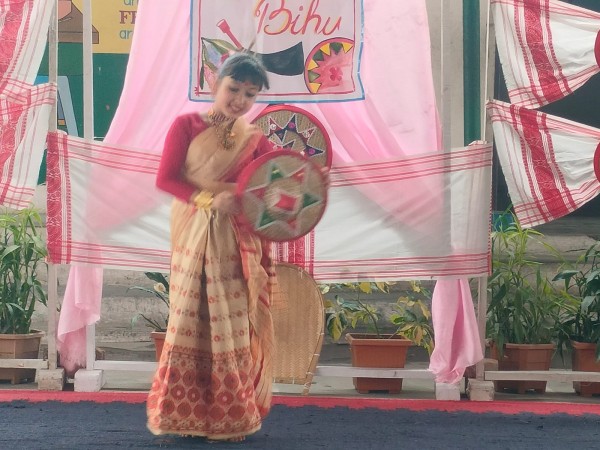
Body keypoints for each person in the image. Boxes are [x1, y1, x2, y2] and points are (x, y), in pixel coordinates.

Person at [147, 52, 276, 442]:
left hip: (236, 242)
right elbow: (166, 179)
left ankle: (231, 417)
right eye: (233, 89)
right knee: (189, 318)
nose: (239, 100)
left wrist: (308, 183)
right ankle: (181, 416)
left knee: (231, 325)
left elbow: (275, 183)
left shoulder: (255, 139)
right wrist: (208, 200)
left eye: (250, 94)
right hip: (193, 232)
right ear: (214, 85)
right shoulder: (186, 126)